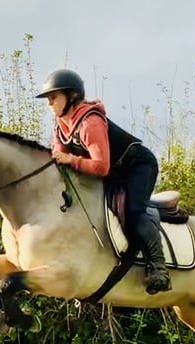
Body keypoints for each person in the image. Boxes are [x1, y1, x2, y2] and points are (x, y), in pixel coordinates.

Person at [36, 68, 172, 295]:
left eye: (54, 97)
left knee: (132, 211)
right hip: (113, 173)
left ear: (71, 96)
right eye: (48, 99)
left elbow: (101, 166)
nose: (49, 103)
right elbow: (59, 165)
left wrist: (70, 158)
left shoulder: (90, 122)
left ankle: (159, 268)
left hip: (138, 166)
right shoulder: (60, 128)